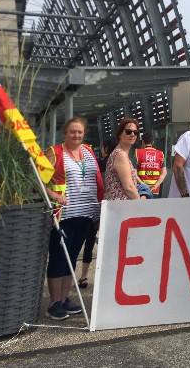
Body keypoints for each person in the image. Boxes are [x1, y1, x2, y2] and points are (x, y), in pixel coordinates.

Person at [45, 116, 104, 320]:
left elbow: (96, 179)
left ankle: (64, 298)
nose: (76, 135)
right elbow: (38, 179)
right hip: (64, 215)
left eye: (79, 132)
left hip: (86, 213)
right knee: (59, 258)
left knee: (72, 258)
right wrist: (54, 195)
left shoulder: (88, 152)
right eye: (72, 132)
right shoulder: (55, 152)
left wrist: (97, 211)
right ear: (65, 133)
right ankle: (53, 302)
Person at [78, 135, 118, 289]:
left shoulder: (98, 164)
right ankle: (109, 276)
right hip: (112, 208)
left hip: (95, 206)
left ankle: (83, 277)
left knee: (88, 242)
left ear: (106, 148)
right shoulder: (119, 162)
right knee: (110, 243)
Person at [104, 118, 141, 201]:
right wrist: (141, 205)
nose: (132, 135)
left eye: (135, 132)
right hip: (120, 206)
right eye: (128, 132)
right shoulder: (121, 154)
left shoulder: (121, 153)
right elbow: (129, 187)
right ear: (120, 134)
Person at [136, 133, 167, 198]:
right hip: (155, 190)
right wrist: (155, 186)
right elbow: (164, 173)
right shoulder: (160, 154)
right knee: (154, 207)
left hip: (141, 189)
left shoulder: (137, 153)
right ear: (152, 142)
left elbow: (133, 173)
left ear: (142, 142)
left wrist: (144, 185)